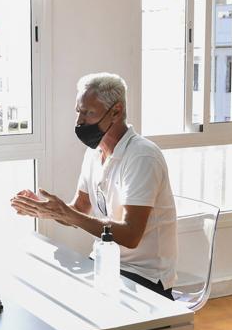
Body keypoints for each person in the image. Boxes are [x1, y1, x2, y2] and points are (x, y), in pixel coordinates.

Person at [11, 72, 177, 300]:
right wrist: (45, 209)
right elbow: (79, 209)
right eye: (79, 112)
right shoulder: (94, 153)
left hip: (144, 277)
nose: (80, 121)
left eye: (89, 113)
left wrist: (68, 214)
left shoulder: (142, 156)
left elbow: (130, 235)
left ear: (116, 111)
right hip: (105, 265)